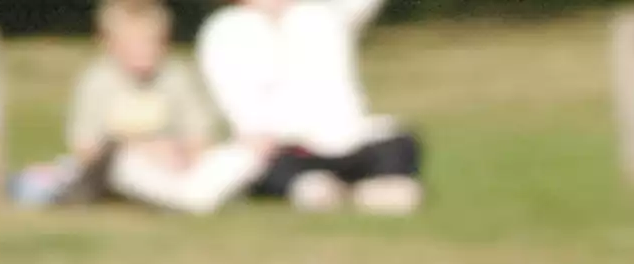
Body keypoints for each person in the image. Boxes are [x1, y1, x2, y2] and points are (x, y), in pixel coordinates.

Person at [24, 0, 265, 214]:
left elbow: (199, 135)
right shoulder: (97, 81)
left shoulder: (176, 76)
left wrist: (179, 154)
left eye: (150, 43)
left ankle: (188, 196)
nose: (143, 52)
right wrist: (143, 150)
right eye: (133, 44)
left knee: (244, 155)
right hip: (123, 165)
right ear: (110, 43)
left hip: (178, 164)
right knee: (124, 166)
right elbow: (85, 147)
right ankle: (189, 199)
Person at [196, 0, 423, 214]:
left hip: (346, 140)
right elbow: (236, 100)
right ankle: (317, 188)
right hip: (285, 146)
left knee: (398, 140)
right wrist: (256, 134)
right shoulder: (226, 30)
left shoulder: (320, 15)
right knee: (260, 164)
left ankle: (368, 188)